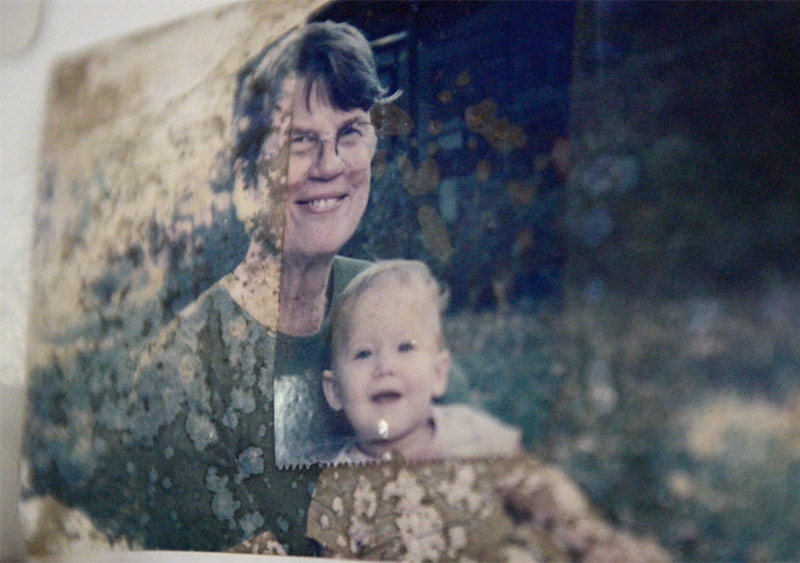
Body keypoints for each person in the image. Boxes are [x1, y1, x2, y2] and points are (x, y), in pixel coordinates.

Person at [114, 21, 466, 554]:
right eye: (299, 142)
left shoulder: (386, 302)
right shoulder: (180, 369)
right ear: (244, 182)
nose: (330, 165)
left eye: (350, 132)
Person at [317, 260, 521, 465]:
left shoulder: (473, 433)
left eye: (404, 347)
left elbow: (535, 478)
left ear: (438, 374)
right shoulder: (336, 478)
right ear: (334, 390)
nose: (385, 367)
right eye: (364, 354)